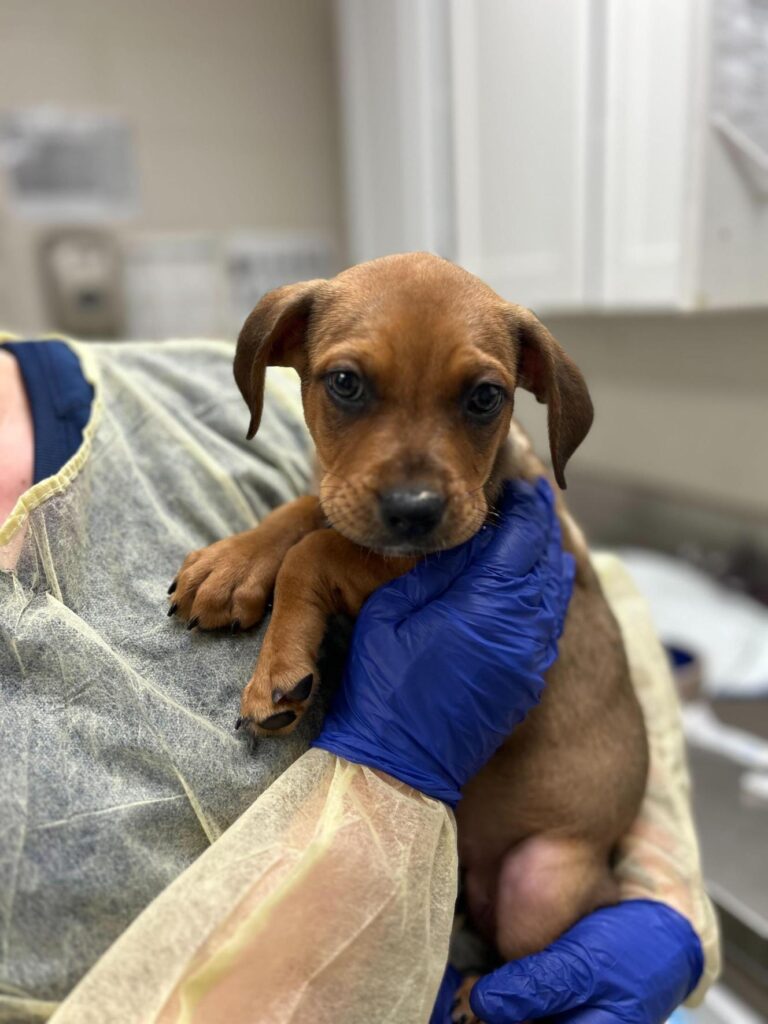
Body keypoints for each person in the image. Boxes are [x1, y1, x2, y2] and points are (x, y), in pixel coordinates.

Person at [0, 336, 718, 1023]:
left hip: (526, 856)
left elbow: (605, 605)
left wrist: (666, 899)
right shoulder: (310, 376)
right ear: (287, 357)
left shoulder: (190, 390)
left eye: (478, 399)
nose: (413, 491)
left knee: (538, 905)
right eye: (348, 387)